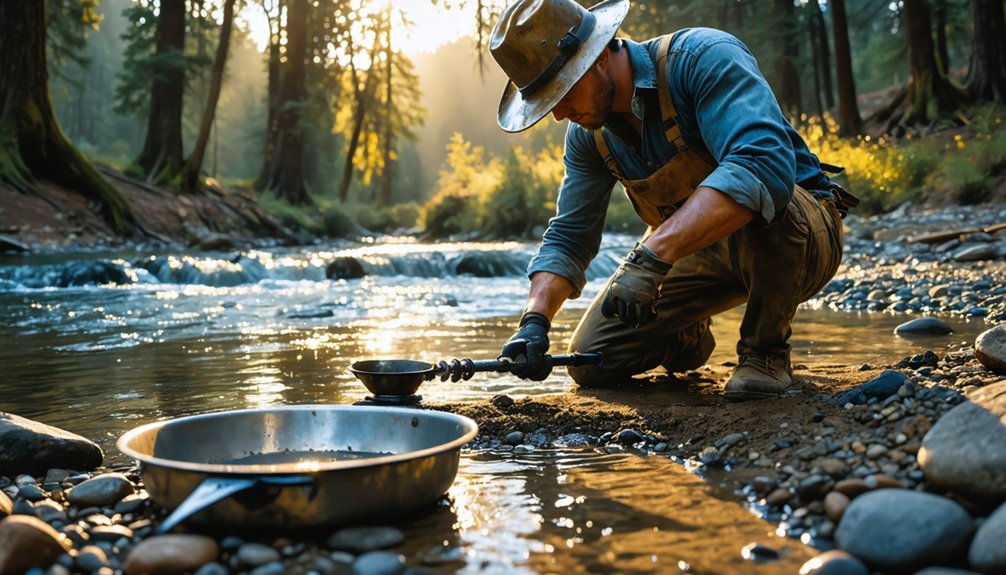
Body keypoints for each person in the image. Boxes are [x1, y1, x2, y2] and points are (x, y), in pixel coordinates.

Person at [491, 0, 858, 400]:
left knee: (764, 195)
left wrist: (650, 258)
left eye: (562, 92)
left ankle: (764, 353)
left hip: (800, 235)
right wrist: (534, 321)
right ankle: (687, 334)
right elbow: (569, 237)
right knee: (592, 361)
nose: (559, 114)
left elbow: (762, 164)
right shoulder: (587, 137)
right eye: (547, 102)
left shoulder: (702, 58)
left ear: (598, 57)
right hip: (695, 251)